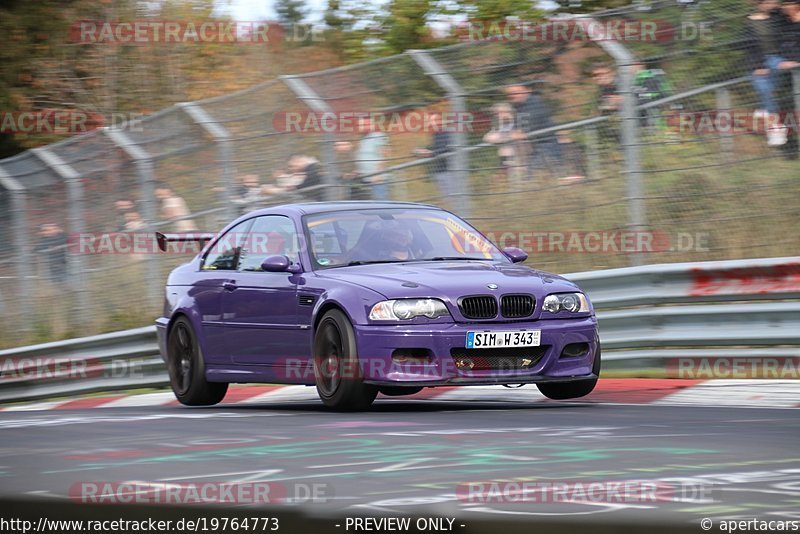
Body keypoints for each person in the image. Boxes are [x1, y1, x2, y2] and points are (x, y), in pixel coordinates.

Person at [746, 0, 799, 146]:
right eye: (769, 2)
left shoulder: (777, 17)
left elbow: (793, 25)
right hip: (757, 60)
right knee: (762, 85)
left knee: (765, 88)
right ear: (760, 4)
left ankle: (765, 108)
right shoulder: (749, 23)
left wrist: (794, 59)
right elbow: (749, 48)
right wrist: (758, 66)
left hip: (775, 58)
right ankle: (775, 126)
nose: (773, 4)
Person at [502, 84, 563, 182]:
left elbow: (522, 132)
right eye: (510, 94)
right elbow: (516, 129)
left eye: (516, 92)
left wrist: (507, 135)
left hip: (547, 146)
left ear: (527, 90)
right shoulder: (519, 106)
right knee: (540, 177)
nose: (512, 96)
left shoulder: (534, 104)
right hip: (536, 147)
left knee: (534, 176)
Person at [413, 111, 456, 202]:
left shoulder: (448, 133)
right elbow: (434, 148)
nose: (433, 123)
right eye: (431, 121)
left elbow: (446, 148)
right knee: (446, 200)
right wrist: (420, 151)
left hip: (450, 170)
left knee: (453, 199)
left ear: (441, 121)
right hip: (440, 171)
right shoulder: (435, 135)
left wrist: (431, 153)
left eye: (435, 120)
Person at [483, 103, 527, 190]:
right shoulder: (499, 126)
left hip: (517, 159)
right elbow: (487, 137)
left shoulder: (516, 123)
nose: (499, 115)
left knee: (517, 186)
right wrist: (501, 137)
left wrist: (499, 138)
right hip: (504, 160)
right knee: (503, 186)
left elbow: (519, 136)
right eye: (497, 113)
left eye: (502, 112)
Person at [355, 116, 391, 200]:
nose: (365, 126)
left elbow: (385, 155)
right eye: (362, 124)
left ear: (372, 125)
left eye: (367, 124)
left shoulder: (379, 136)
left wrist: (378, 175)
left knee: (381, 205)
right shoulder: (362, 139)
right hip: (364, 179)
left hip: (377, 180)